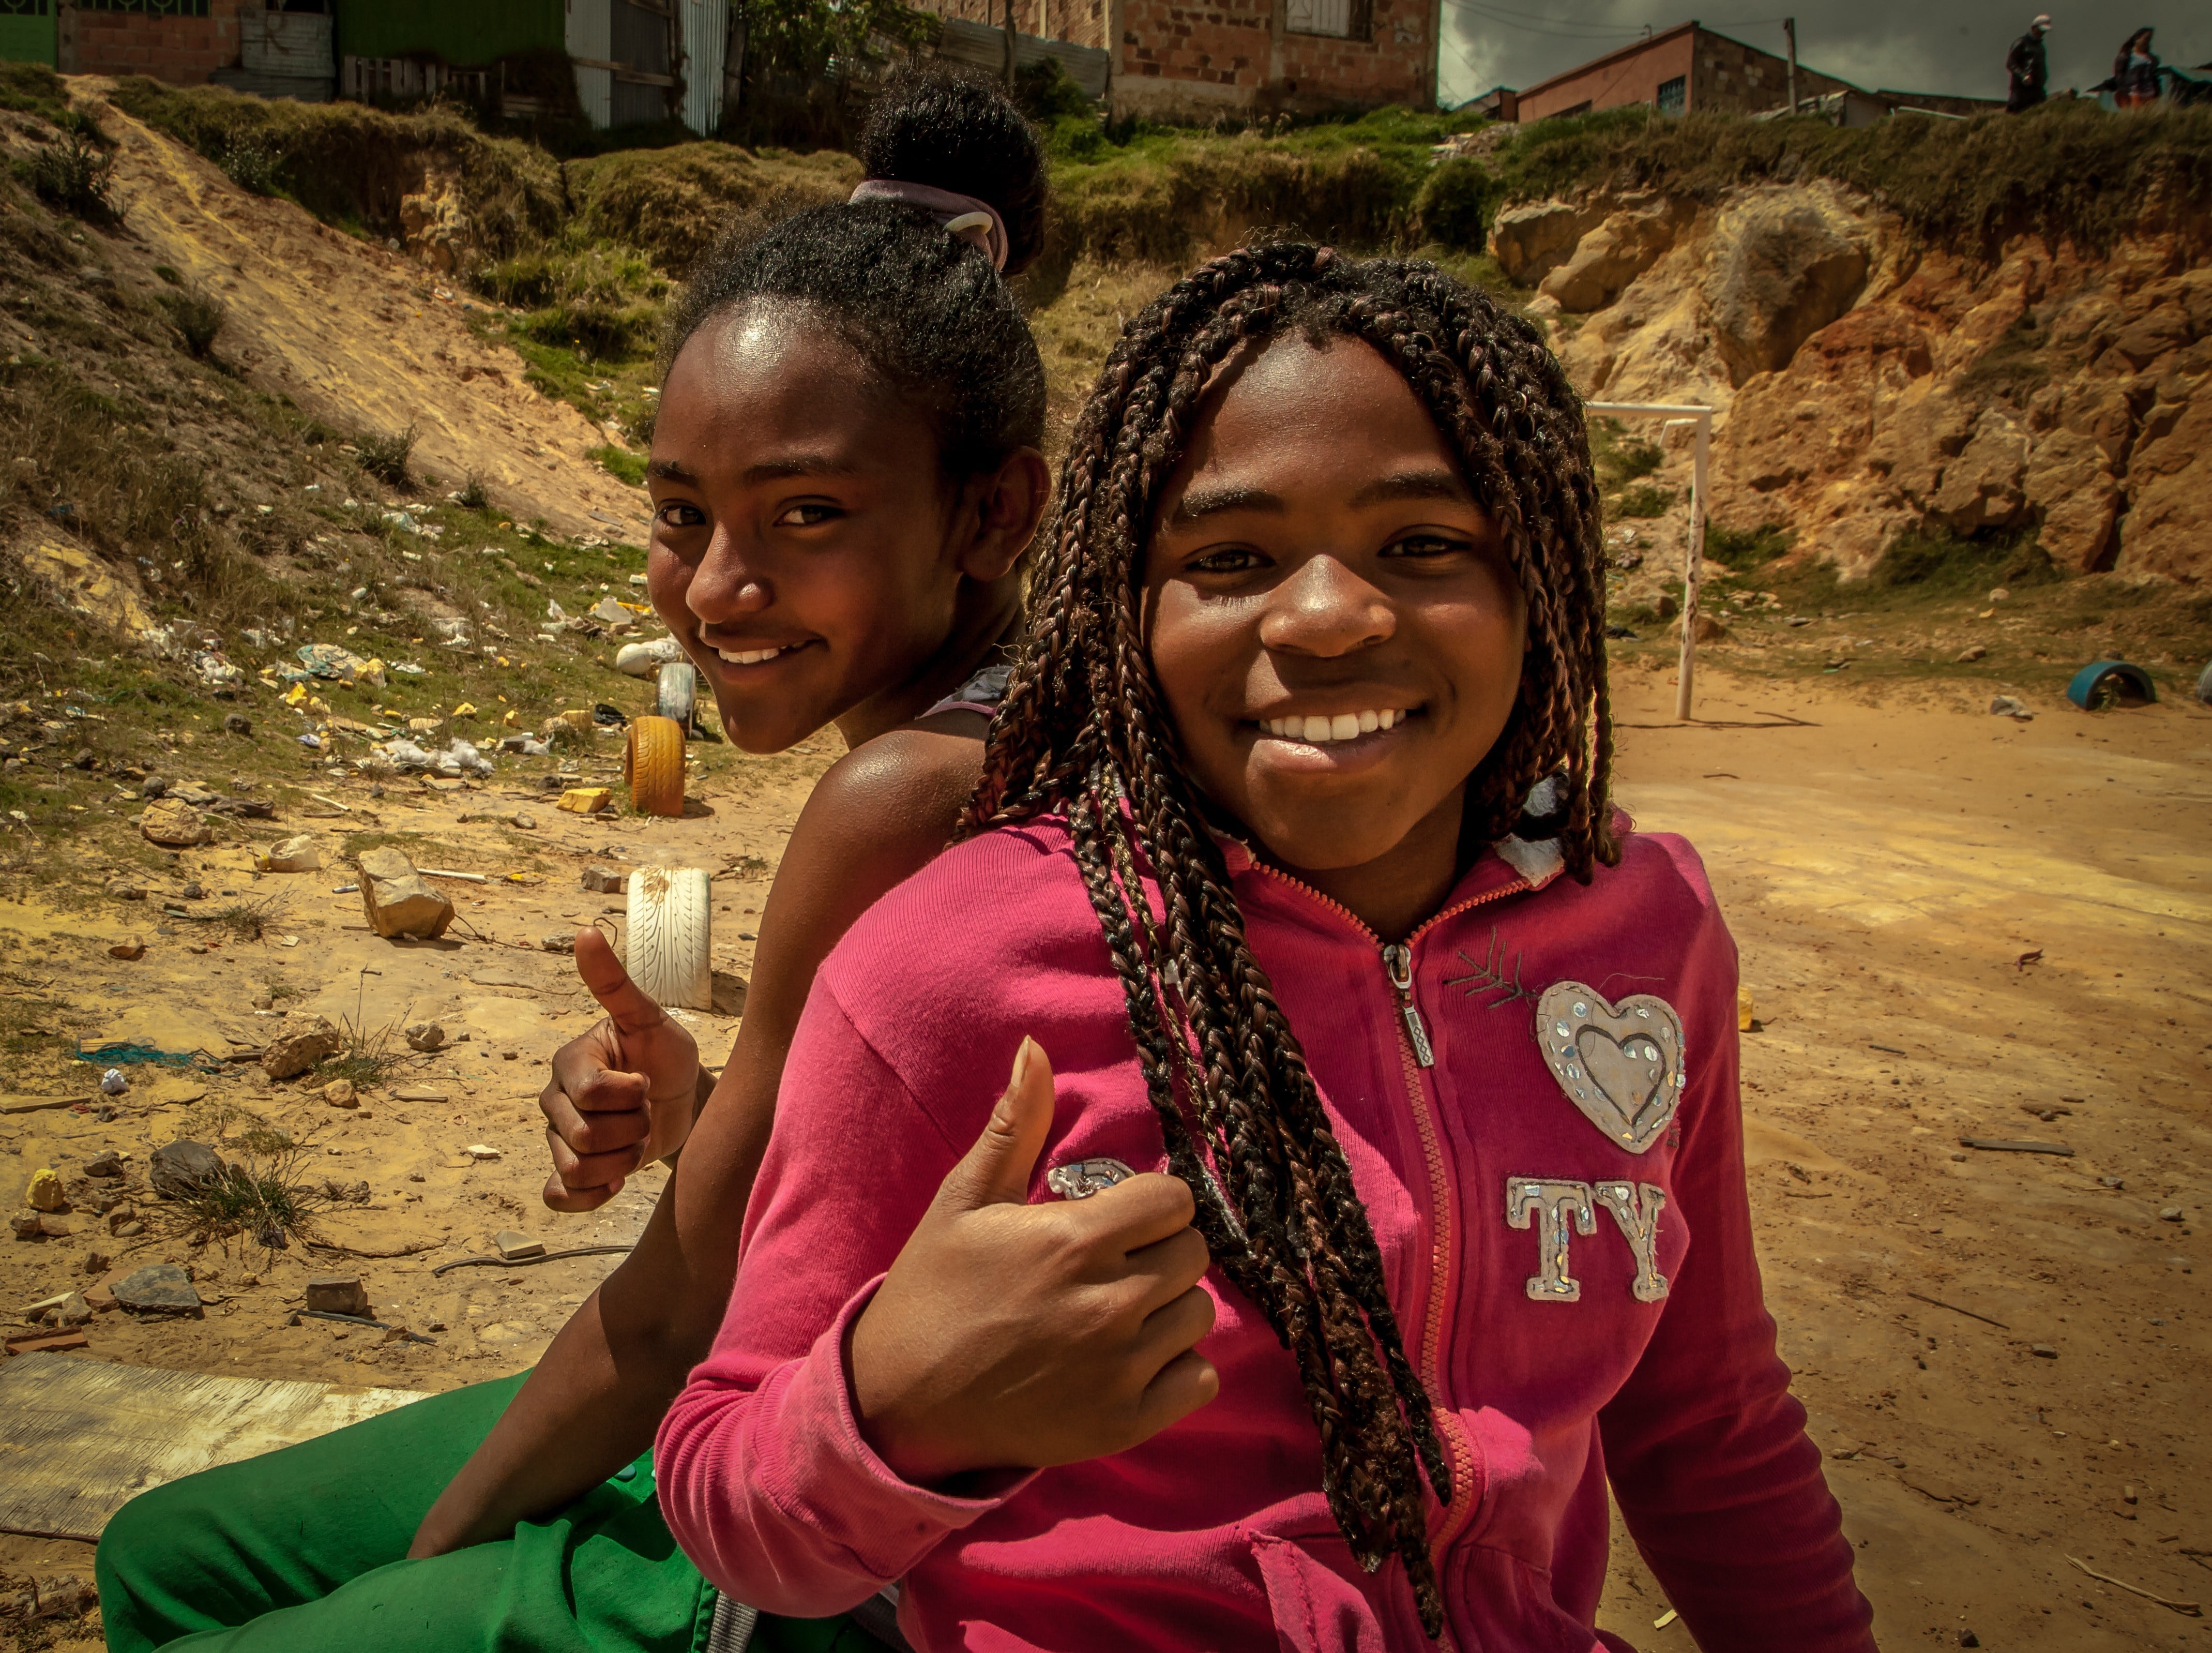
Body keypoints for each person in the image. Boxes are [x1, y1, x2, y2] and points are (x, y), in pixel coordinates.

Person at [655, 244, 1877, 1650]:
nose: (1322, 616)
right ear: (1127, 603)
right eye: (1228, 559)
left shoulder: (1643, 931)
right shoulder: (948, 967)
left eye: (1420, 544)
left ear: (1537, 574)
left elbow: (1706, 1424)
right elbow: (718, 1481)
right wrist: (897, 1403)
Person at [96, 66, 1054, 1653]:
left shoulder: (907, 791)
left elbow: (682, 1306)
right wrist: (703, 1111)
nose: (719, 591)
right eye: (683, 514)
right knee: (162, 1548)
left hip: (868, 1543)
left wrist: (432, 1561)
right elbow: (836, 1183)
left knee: (211, 1594)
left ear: (988, 514)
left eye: (804, 513)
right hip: (815, 1393)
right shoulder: (1002, 714)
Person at [2007, 13, 2051, 111]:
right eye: (2040, 30)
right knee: (2018, 114)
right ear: (2034, 28)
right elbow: (2010, 63)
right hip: (2021, 91)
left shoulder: (2041, 47)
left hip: (2038, 90)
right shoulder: (2021, 43)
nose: (2042, 33)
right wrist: (2023, 75)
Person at [2115, 26, 2162, 107]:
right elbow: (2119, 77)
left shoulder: (2151, 59)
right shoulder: (2126, 57)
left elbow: (2153, 75)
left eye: (2149, 40)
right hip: (2134, 94)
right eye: (2146, 39)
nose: (2147, 42)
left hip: (2150, 93)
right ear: (2137, 38)